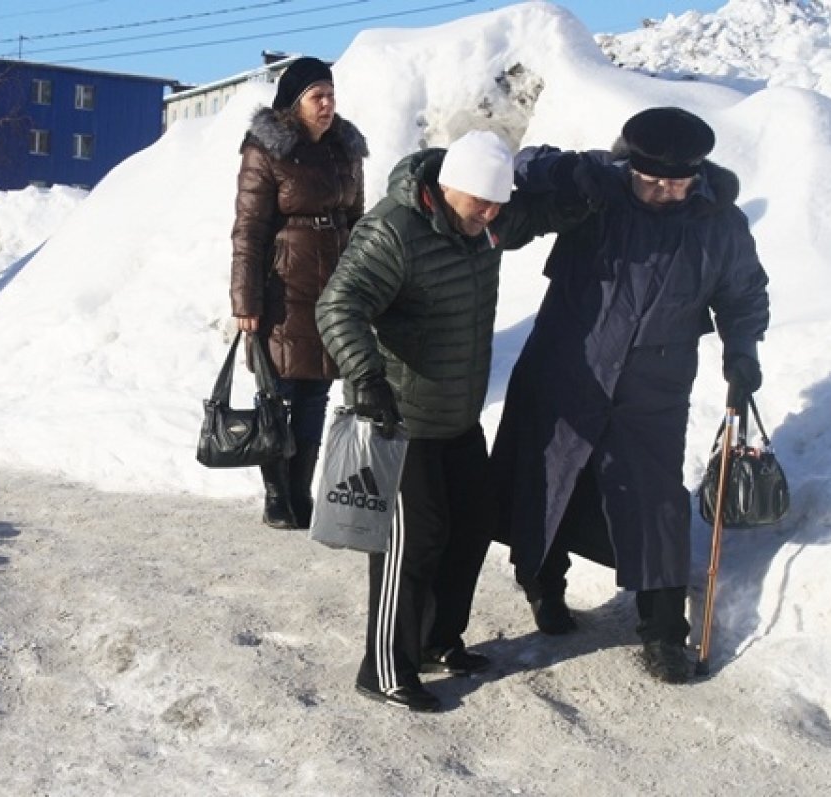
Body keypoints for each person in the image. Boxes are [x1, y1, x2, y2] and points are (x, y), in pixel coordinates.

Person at [490, 107, 770, 685]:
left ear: (700, 171)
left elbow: (743, 293)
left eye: (678, 181)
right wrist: (569, 173)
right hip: (567, 368)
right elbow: (522, 165)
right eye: (651, 179)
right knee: (547, 480)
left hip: (654, 386)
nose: (664, 191)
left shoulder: (720, 223)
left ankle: (665, 632)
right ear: (630, 165)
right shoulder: (600, 190)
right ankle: (544, 587)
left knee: (655, 500)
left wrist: (742, 351)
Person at [316, 130, 592, 712]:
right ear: (447, 190)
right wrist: (366, 377)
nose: (491, 215)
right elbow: (339, 303)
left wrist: (585, 192)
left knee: (472, 526)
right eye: (480, 204)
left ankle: (440, 641)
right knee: (413, 544)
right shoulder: (393, 230)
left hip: (458, 414)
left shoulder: (487, 223)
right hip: (399, 418)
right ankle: (385, 667)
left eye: (497, 205)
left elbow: (533, 217)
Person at [230, 56, 368, 530]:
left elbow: (357, 220)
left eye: (331, 94)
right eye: (317, 96)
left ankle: (301, 492)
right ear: (295, 103)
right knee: (278, 394)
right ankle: (275, 495)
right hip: (282, 289)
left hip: (334, 289)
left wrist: (363, 286)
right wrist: (245, 301)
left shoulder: (345, 148)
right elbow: (248, 230)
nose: (328, 104)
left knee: (316, 395)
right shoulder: (265, 150)